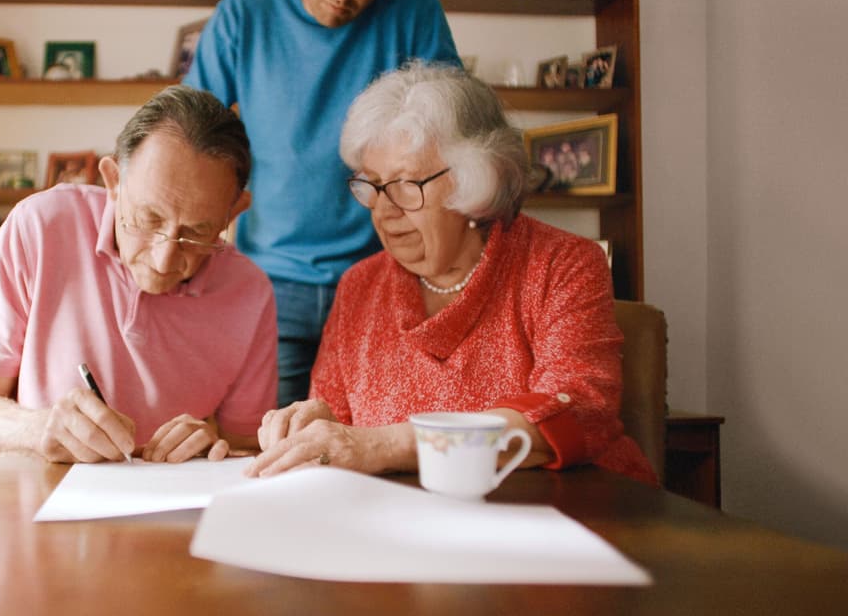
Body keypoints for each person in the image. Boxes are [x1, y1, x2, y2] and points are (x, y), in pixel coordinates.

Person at [247, 63, 655, 485]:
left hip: (560, 517)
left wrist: (384, 445)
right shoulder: (360, 286)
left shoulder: (563, 265)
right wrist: (317, 422)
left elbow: (575, 412)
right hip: (404, 526)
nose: (385, 210)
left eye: (407, 184)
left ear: (474, 179)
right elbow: (339, 430)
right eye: (372, 184)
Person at [183, 0, 461, 408]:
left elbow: (454, 128)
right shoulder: (242, 16)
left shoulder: (414, 6)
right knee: (272, 448)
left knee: (380, 437)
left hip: (383, 276)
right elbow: (186, 137)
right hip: (269, 282)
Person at [0, 85, 277, 464]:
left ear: (233, 212)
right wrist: (39, 428)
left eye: (197, 232)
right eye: (148, 219)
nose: (165, 258)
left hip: (168, 512)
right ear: (113, 181)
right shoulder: (40, 228)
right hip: (40, 504)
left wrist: (214, 443)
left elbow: (248, 453)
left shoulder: (251, 293)